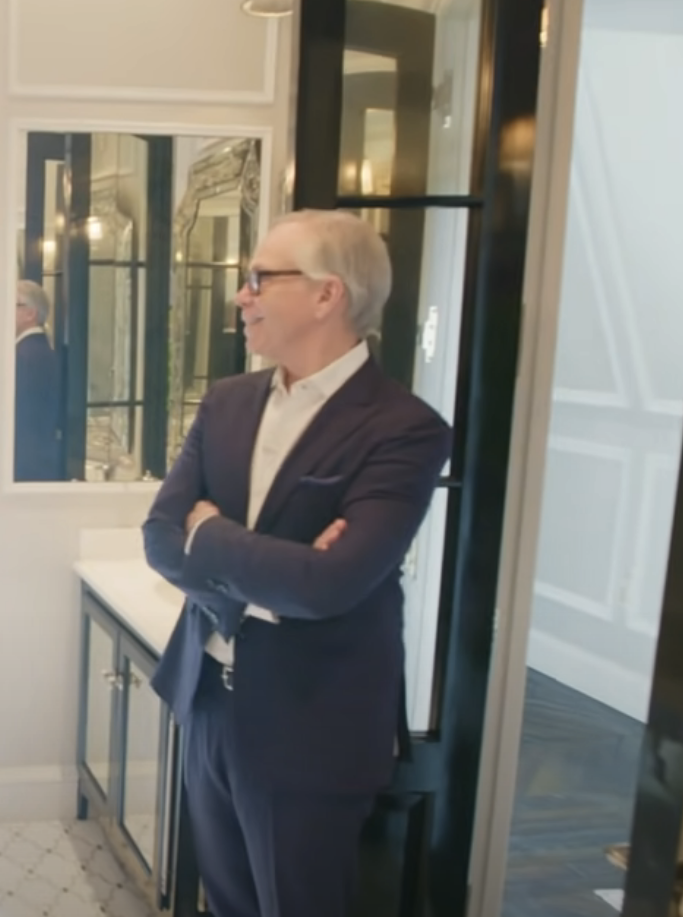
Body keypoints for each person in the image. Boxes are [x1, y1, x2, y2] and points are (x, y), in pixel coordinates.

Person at [141, 209, 452, 917]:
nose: (241, 296)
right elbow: (161, 536)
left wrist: (211, 533)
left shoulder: (405, 429)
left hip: (313, 723)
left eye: (259, 279)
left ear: (326, 295)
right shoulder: (227, 401)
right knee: (227, 904)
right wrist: (266, 567)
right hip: (210, 701)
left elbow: (329, 584)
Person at [13, 279, 63, 481]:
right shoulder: (36, 350)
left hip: (27, 467)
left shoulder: (26, 356)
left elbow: (24, 418)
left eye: (11, 305)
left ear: (30, 314)